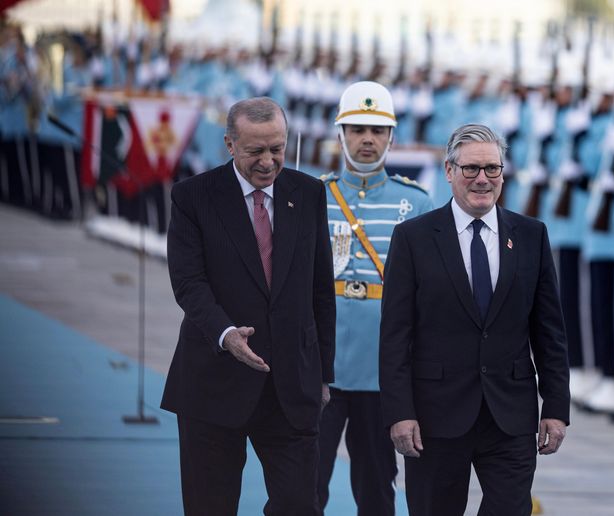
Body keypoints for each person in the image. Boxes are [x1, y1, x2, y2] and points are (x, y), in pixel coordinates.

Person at [380, 123, 570, 515]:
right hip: (435, 419)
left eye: (492, 169)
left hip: (510, 417)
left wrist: (555, 405)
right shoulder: (413, 238)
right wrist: (400, 413)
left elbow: (549, 331)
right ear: (449, 171)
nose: (482, 179)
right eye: (470, 169)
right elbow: (396, 337)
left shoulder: (532, 235)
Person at [161, 96, 335, 516]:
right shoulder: (193, 197)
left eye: (277, 148)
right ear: (229, 144)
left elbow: (320, 290)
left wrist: (324, 374)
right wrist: (225, 334)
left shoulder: (308, 193)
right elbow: (188, 283)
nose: (268, 161)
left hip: (291, 387)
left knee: (299, 505)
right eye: (255, 150)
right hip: (214, 383)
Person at [316, 81, 433, 515]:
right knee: (305, 483)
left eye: (378, 130)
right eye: (358, 129)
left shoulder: (415, 203)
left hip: (381, 371)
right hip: (322, 369)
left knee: (376, 485)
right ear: (341, 134)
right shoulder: (315, 196)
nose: (368, 139)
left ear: (391, 137)